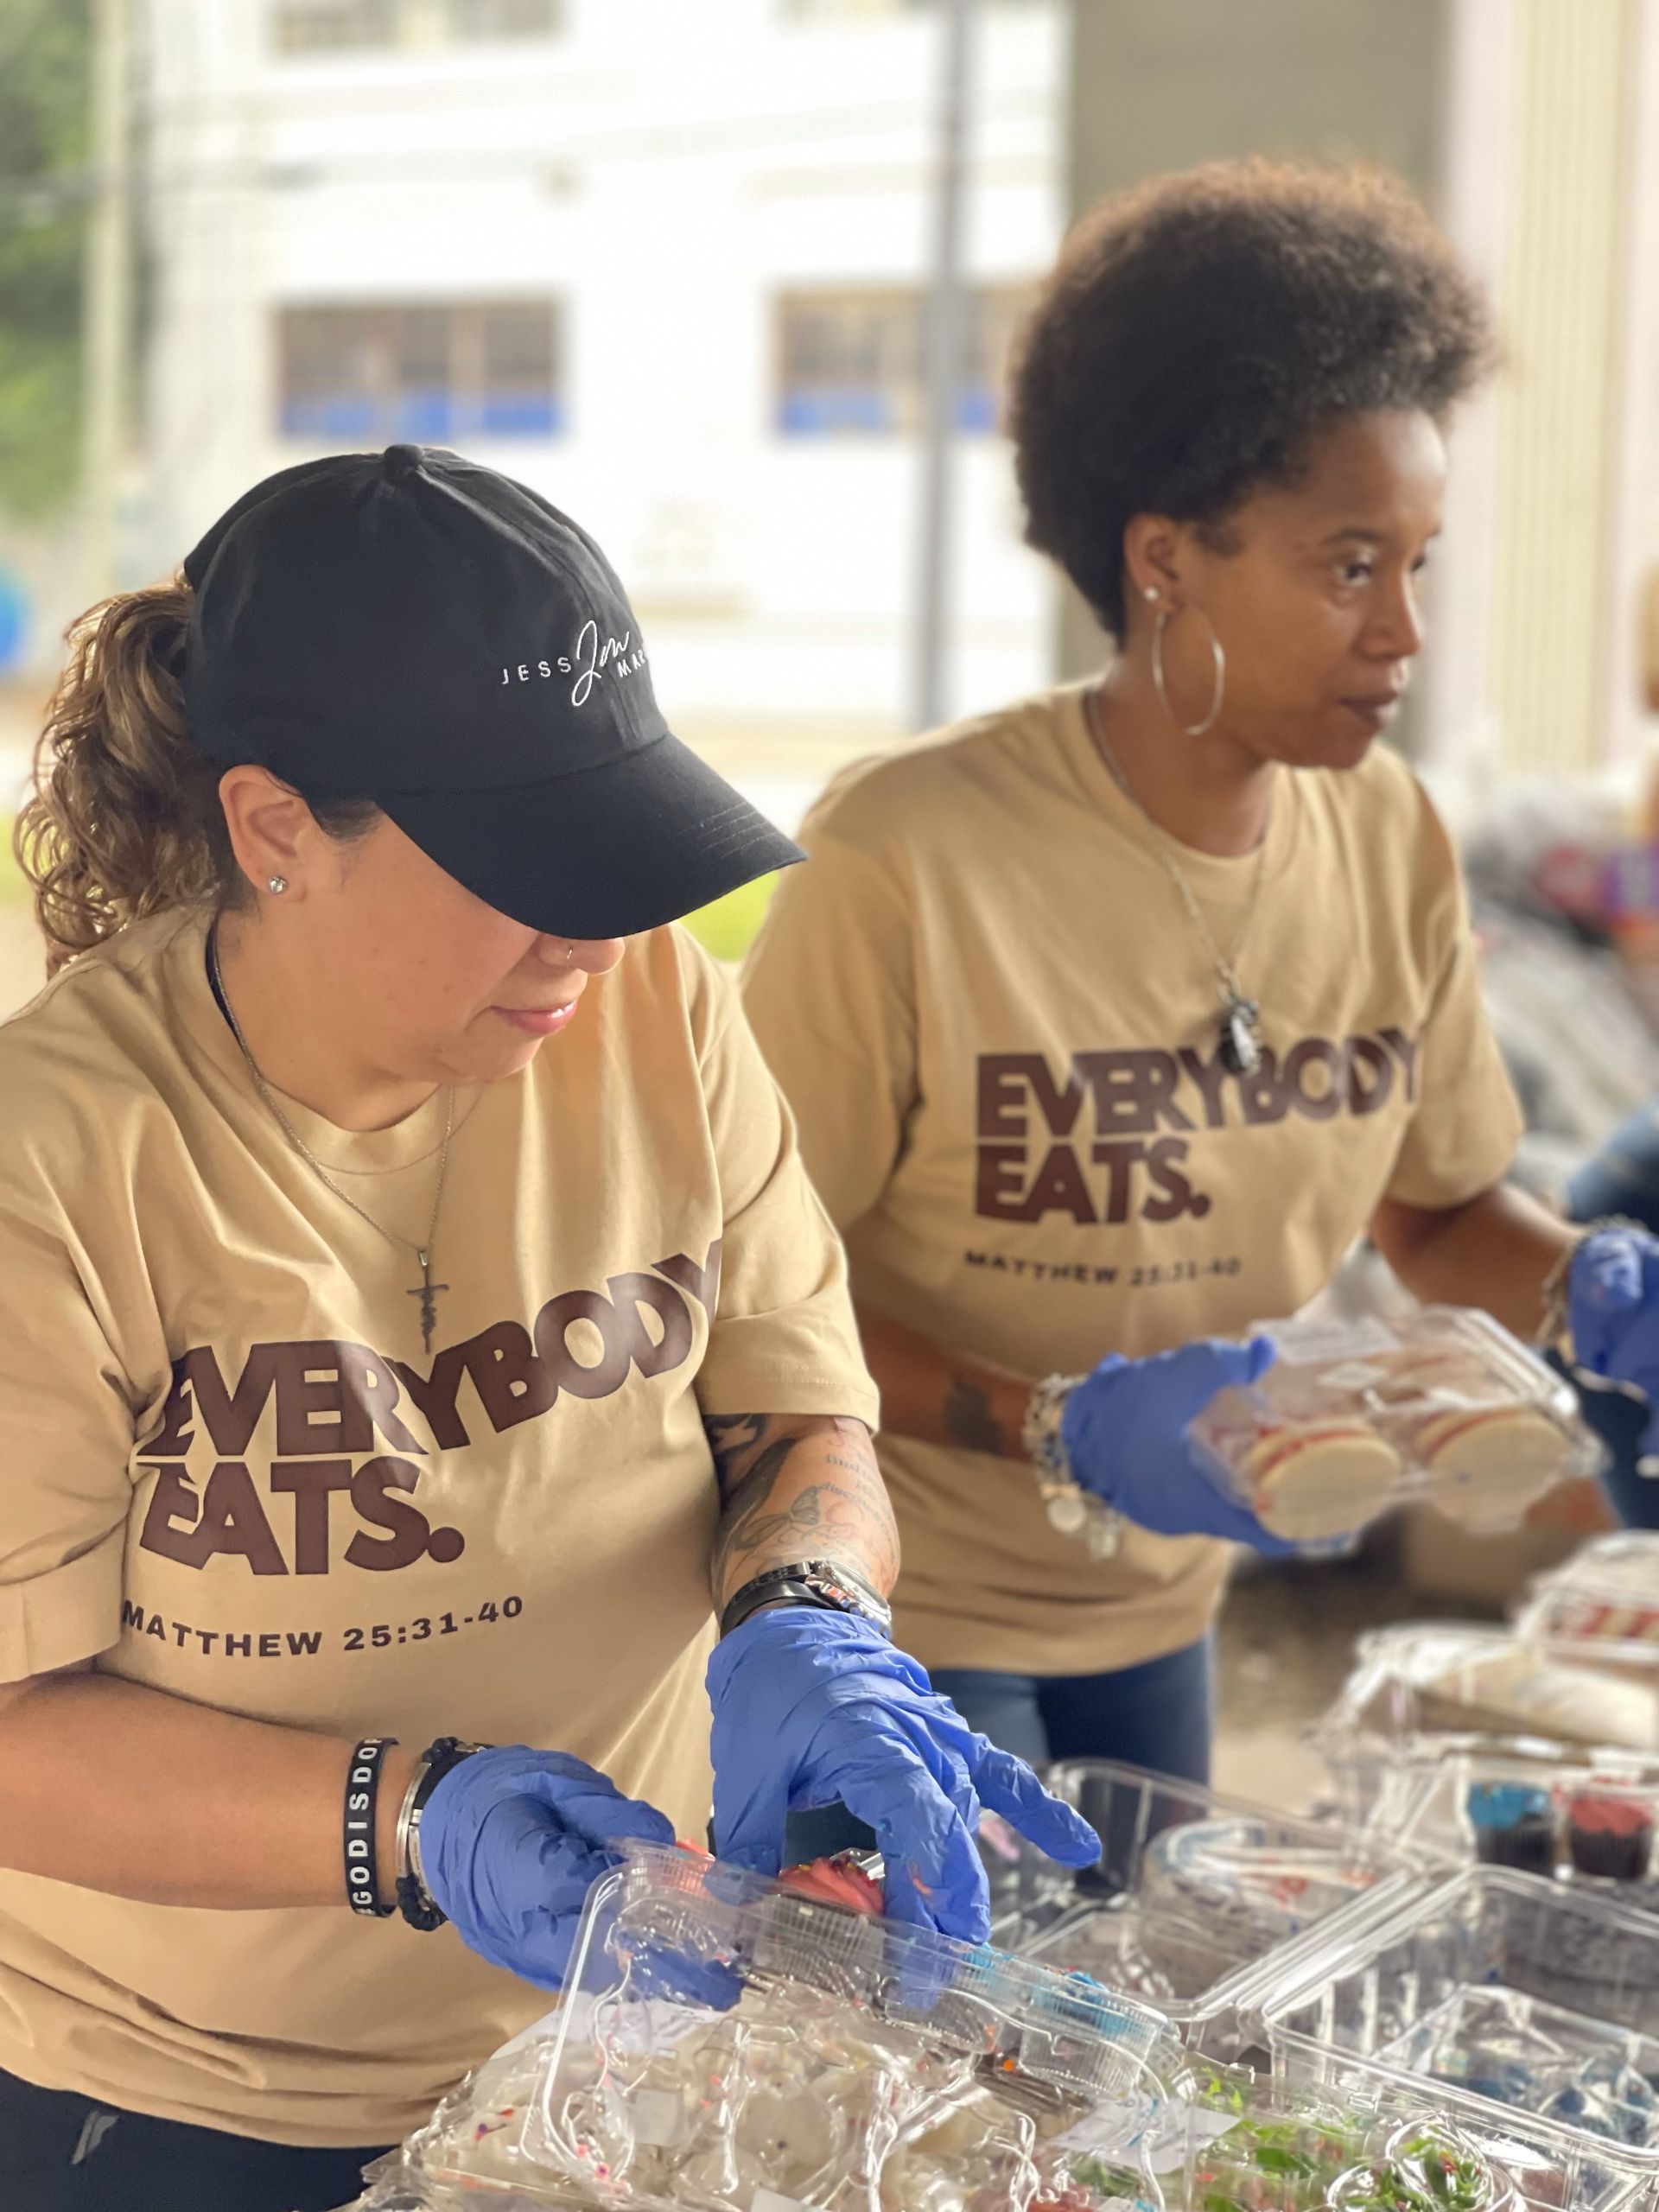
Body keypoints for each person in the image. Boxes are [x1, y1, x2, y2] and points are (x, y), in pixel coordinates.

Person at [0, 447, 1095, 2212]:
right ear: (278, 828)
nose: (594, 929)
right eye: (527, 862)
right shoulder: (55, 1158)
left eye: (618, 843)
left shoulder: (652, 1002)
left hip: (617, 2054)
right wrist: (401, 1820)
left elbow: (797, 1415)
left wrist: (813, 1606)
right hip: (186, 2106)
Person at [741, 160, 1659, 1783]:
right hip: (901, 1610)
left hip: (1170, 1607)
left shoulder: (1388, 842)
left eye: (1421, 562)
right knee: (975, 2021)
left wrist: (1595, 1294)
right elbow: (740, 1304)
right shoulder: (904, 858)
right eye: (1349, 563)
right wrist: (1051, 1425)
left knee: (1163, 2016)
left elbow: (1436, 1212)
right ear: (1166, 558)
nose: (1407, 634)